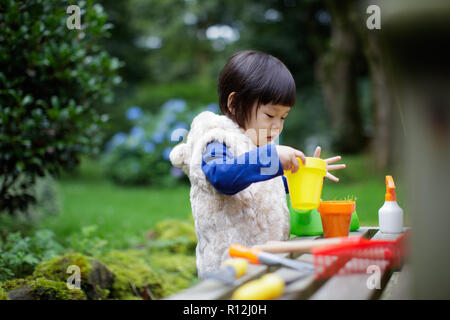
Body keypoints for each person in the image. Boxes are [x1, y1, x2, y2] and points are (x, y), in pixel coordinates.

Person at [170, 50, 345, 278]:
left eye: (283, 117)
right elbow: (222, 177)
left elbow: (263, 186)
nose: (277, 126)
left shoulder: (254, 146)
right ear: (234, 103)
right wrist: (272, 158)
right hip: (229, 271)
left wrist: (303, 174)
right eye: (270, 115)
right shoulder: (216, 140)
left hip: (267, 264)